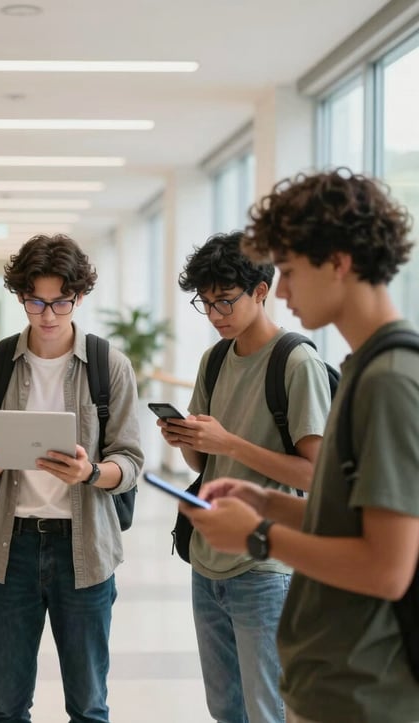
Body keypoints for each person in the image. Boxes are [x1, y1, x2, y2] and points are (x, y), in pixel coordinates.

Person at [182, 169, 419, 723]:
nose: (281, 291)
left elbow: (388, 567)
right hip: (335, 679)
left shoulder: (389, 380)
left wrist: (259, 535)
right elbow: (349, 518)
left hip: (365, 692)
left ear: (337, 261)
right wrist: (268, 504)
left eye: (288, 271)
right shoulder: (364, 368)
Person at [0, 233, 144, 723]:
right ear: (21, 296)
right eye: (36, 301)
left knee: (88, 704)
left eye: (62, 301)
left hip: (84, 550)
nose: (49, 314)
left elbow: (131, 461)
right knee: (8, 705)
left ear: (79, 297)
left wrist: (92, 471)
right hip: (9, 548)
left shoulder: (108, 366)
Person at [158, 231, 331, 722]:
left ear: (261, 291)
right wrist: (189, 442)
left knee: (268, 709)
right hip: (207, 561)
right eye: (206, 303)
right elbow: (207, 465)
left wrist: (228, 441)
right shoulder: (214, 360)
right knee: (225, 708)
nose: (215, 315)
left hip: (265, 566)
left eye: (225, 301)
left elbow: (317, 475)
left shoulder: (296, 362)